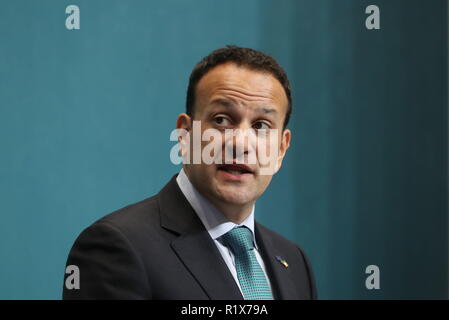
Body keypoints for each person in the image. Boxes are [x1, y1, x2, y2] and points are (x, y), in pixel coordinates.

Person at [63, 45, 317, 300]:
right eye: (221, 119)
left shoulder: (295, 262)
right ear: (184, 134)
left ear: (281, 148)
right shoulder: (116, 247)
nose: (240, 143)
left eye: (261, 125)